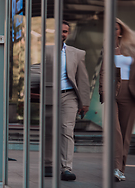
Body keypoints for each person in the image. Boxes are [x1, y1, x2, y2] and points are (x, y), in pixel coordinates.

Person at [99, 18, 135, 182]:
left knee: (125, 134)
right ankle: (116, 167)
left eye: (115, 28)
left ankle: (119, 169)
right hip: (113, 92)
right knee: (115, 131)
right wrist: (102, 91)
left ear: (121, 31)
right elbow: (103, 72)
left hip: (133, 93)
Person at [44, 20, 90, 181]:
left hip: (69, 95)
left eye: (65, 31)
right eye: (59, 30)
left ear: (67, 34)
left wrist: (85, 103)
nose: (62, 34)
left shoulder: (76, 53)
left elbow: (82, 79)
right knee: (48, 130)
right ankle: (48, 164)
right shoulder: (44, 50)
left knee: (66, 130)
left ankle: (66, 168)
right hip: (48, 95)